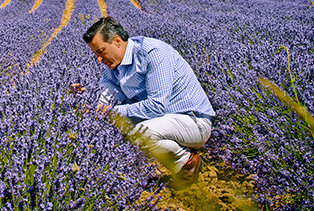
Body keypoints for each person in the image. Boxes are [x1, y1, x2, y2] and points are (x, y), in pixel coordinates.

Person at [80, 16, 215, 190]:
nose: (99, 59)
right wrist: (90, 103)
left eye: (101, 51)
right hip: (165, 121)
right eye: (95, 54)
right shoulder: (114, 65)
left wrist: (112, 111)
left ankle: (186, 162)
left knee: (139, 132)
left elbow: (156, 106)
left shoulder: (153, 53)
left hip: (193, 121)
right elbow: (106, 95)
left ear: (117, 41)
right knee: (114, 125)